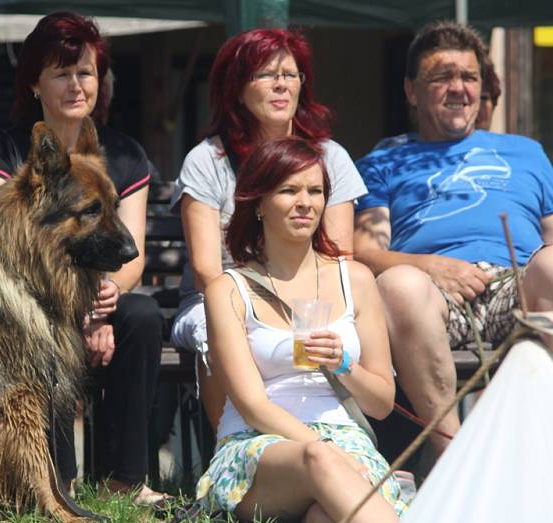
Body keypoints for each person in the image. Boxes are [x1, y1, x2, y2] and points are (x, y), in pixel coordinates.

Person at [196, 138, 405, 523]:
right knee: (319, 463)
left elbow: (383, 403)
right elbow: (250, 405)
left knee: (325, 512)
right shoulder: (229, 290)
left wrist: (344, 364)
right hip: (259, 449)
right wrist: (327, 450)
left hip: (345, 440)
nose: (305, 203)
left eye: (315, 191)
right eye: (289, 191)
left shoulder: (356, 280)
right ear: (258, 204)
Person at [0, 12, 167, 506]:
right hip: (30, 297)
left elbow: (131, 251)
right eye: (61, 73)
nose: (76, 84)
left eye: (85, 72)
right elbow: (11, 245)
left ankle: (126, 480)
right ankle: (57, 479)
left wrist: (104, 302)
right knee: (47, 323)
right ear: (35, 84)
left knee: (142, 315)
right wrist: (77, 311)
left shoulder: (124, 154)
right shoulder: (6, 148)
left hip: (100, 289)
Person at [354, 21, 553, 466]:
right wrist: (430, 266)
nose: (459, 88)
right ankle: (454, 458)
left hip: (516, 288)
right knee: (399, 285)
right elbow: (364, 250)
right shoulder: (384, 160)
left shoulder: (526, 152)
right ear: (411, 91)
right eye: (442, 77)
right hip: (434, 298)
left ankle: (539, 453)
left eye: (469, 77)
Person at [169, 28, 367, 430]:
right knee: (216, 326)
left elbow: (338, 253)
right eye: (264, 74)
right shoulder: (208, 159)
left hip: (309, 295)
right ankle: (230, 447)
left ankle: (332, 434)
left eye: (290, 74)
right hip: (221, 297)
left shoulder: (331, 156)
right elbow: (208, 271)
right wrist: (263, 306)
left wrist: (298, 302)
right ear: (237, 89)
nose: (280, 84)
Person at [372, 56, 502, 151]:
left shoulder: (508, 153)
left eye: (483, 98)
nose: (470, 104)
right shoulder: (393, 150)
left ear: (494, 105)